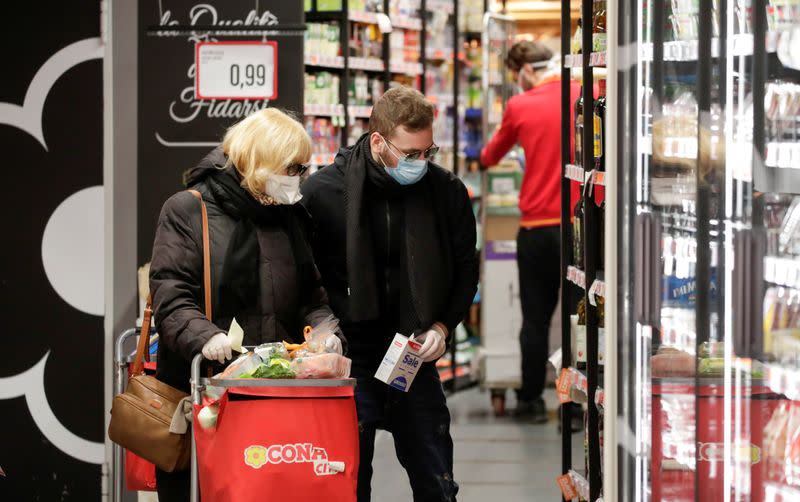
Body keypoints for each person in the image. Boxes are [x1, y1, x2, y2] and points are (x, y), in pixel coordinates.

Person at [149, 108, 345, 501]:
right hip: (207, 397)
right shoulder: (189, 210)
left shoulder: (290, 216)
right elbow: (170, 293)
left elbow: (310, 296)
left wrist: (326, 333)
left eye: (303, 168)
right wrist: (204, 337)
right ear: (261, 161)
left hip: (274, 398)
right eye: (292, 167)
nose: (299, 179)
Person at [301, 86, 479, 502]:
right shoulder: (325, 192)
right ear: (378, 141)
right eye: (409, 153)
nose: (419, 162)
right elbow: (305, 276)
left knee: (434, 472)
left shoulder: (445, 191)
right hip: (348, 353)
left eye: (427, 151)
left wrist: (442, 325)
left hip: (411, 352)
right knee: (349, 477)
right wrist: (321, 329)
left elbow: (465, 268)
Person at [479, 41, 582, 425]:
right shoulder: (583, 93)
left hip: (536, 228)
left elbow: (489, 156)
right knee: (578, 318)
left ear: (523, 70)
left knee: (534, 320)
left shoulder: (520, 106)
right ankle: (573, 405)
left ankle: (530, 401)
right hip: (580, 226)